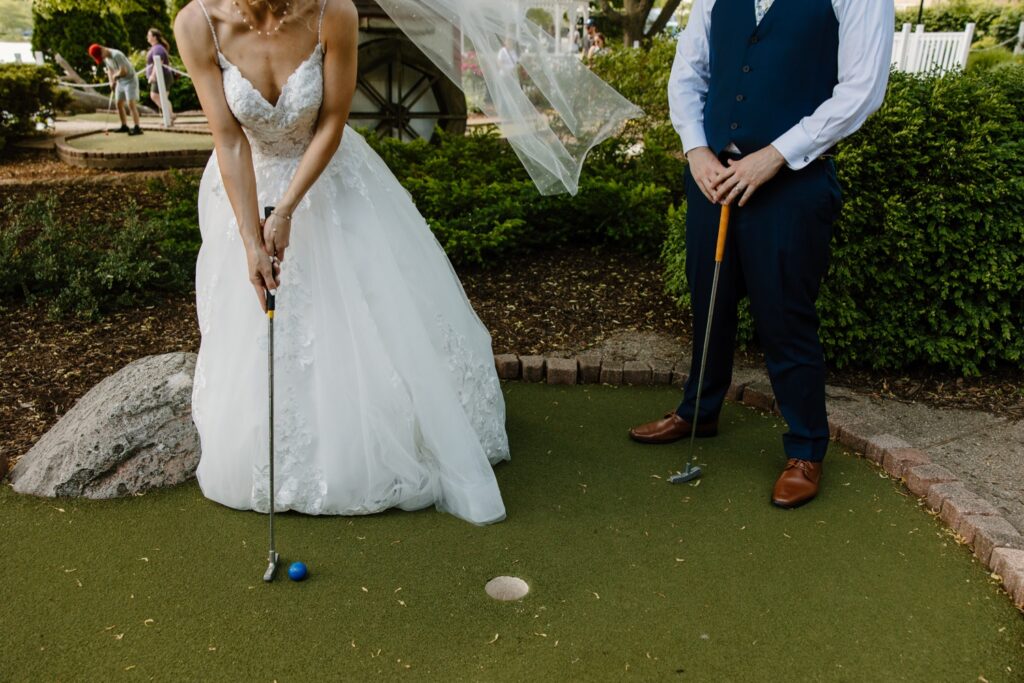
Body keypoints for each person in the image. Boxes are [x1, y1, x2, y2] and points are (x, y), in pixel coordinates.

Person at [174, 0, 510, 524]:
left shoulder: (334, 12)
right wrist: (250, 241)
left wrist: (286, 209)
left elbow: (332, 119)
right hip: (242, 187)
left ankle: (366, 440)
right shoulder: (198, 24)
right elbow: (228, 138)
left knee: (357, 316)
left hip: (328, 178)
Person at [628, 0, 894, 508]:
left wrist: (774, 156)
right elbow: (689, 74)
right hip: (711, 180)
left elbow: (861, 90)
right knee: (710, 302)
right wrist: (695, 149)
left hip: (793, 185)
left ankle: (806, 449)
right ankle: (698, 411)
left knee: (786, 318)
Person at [88, 43, 143, 135]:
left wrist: (115, 76)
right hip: (120, 81)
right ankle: (124, 126)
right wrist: (111, 81)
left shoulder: (117, 55)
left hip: (130, 80)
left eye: (100, 56)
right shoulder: (106, 58)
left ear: (102, 49)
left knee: (130, 104)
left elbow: (124, 71)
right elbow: (110, 70)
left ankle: (137, 128)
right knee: (118, 103)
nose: (102, 59)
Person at [145, 28, 176, 123]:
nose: (147, 37)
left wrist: (152, 76)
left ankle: (170, 115)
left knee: (154, 96)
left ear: (154, 37)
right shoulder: (156, 48)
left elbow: (158, 61)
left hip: (162, 77)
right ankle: (169, 117)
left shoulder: (158, 48)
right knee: (162, 98)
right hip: (163, 76)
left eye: (149, 35)